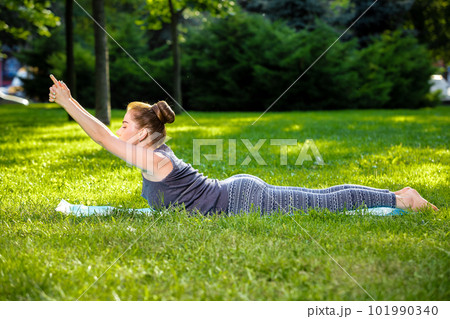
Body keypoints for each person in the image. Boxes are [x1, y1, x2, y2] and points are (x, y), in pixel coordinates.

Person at [48, 75, 438, 216]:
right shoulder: (152, 152)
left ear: (143, 132)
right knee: (321, 196)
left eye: (125, 124)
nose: (119, 130)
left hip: (243, 201)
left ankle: (402, 199)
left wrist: (68, 103)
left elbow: (102, 137)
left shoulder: (150, 156)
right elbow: (109, 136)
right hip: (239, 192)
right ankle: (398, 195)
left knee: (325, 202)